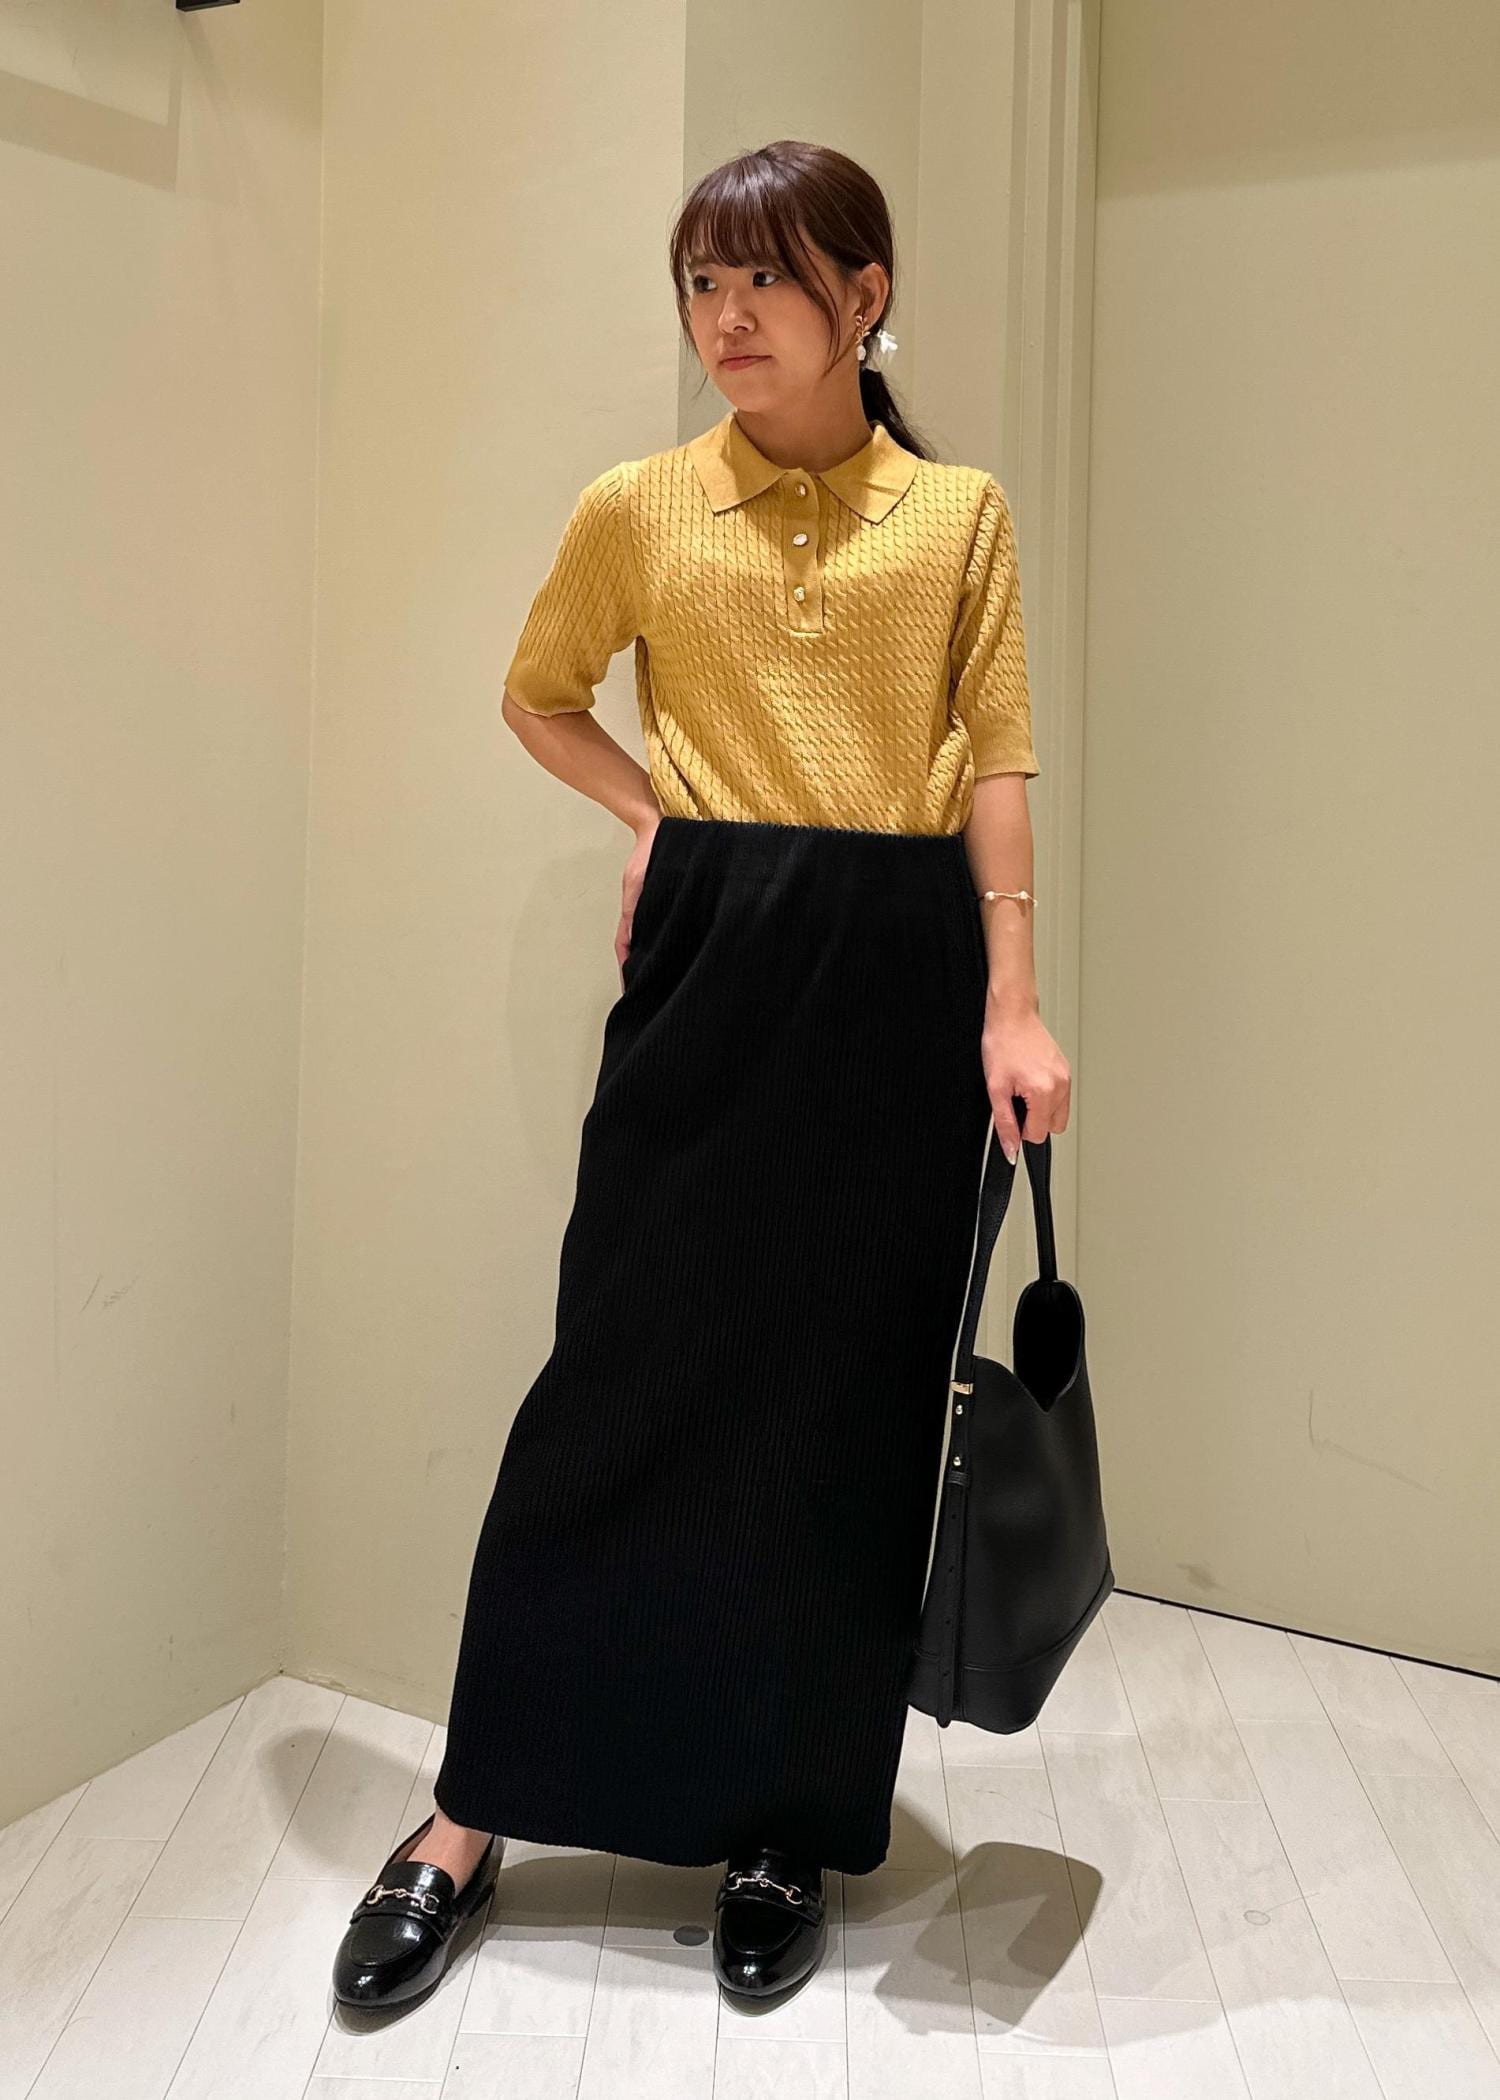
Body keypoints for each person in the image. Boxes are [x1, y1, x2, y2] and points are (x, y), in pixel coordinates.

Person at [332, 137, 1071, 2016]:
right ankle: (473, 1810)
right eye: (702, 284)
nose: (726, 319)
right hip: (717, 948)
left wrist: (1013, 1001)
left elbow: (995, 755)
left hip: (901, 966)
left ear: (864, 296)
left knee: (846, 1410)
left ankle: (780, 1820)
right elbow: (540, 689)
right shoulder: (643, 505)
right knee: (617, 1381)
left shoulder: (959, 517)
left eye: (766, 279)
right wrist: (661, 824)